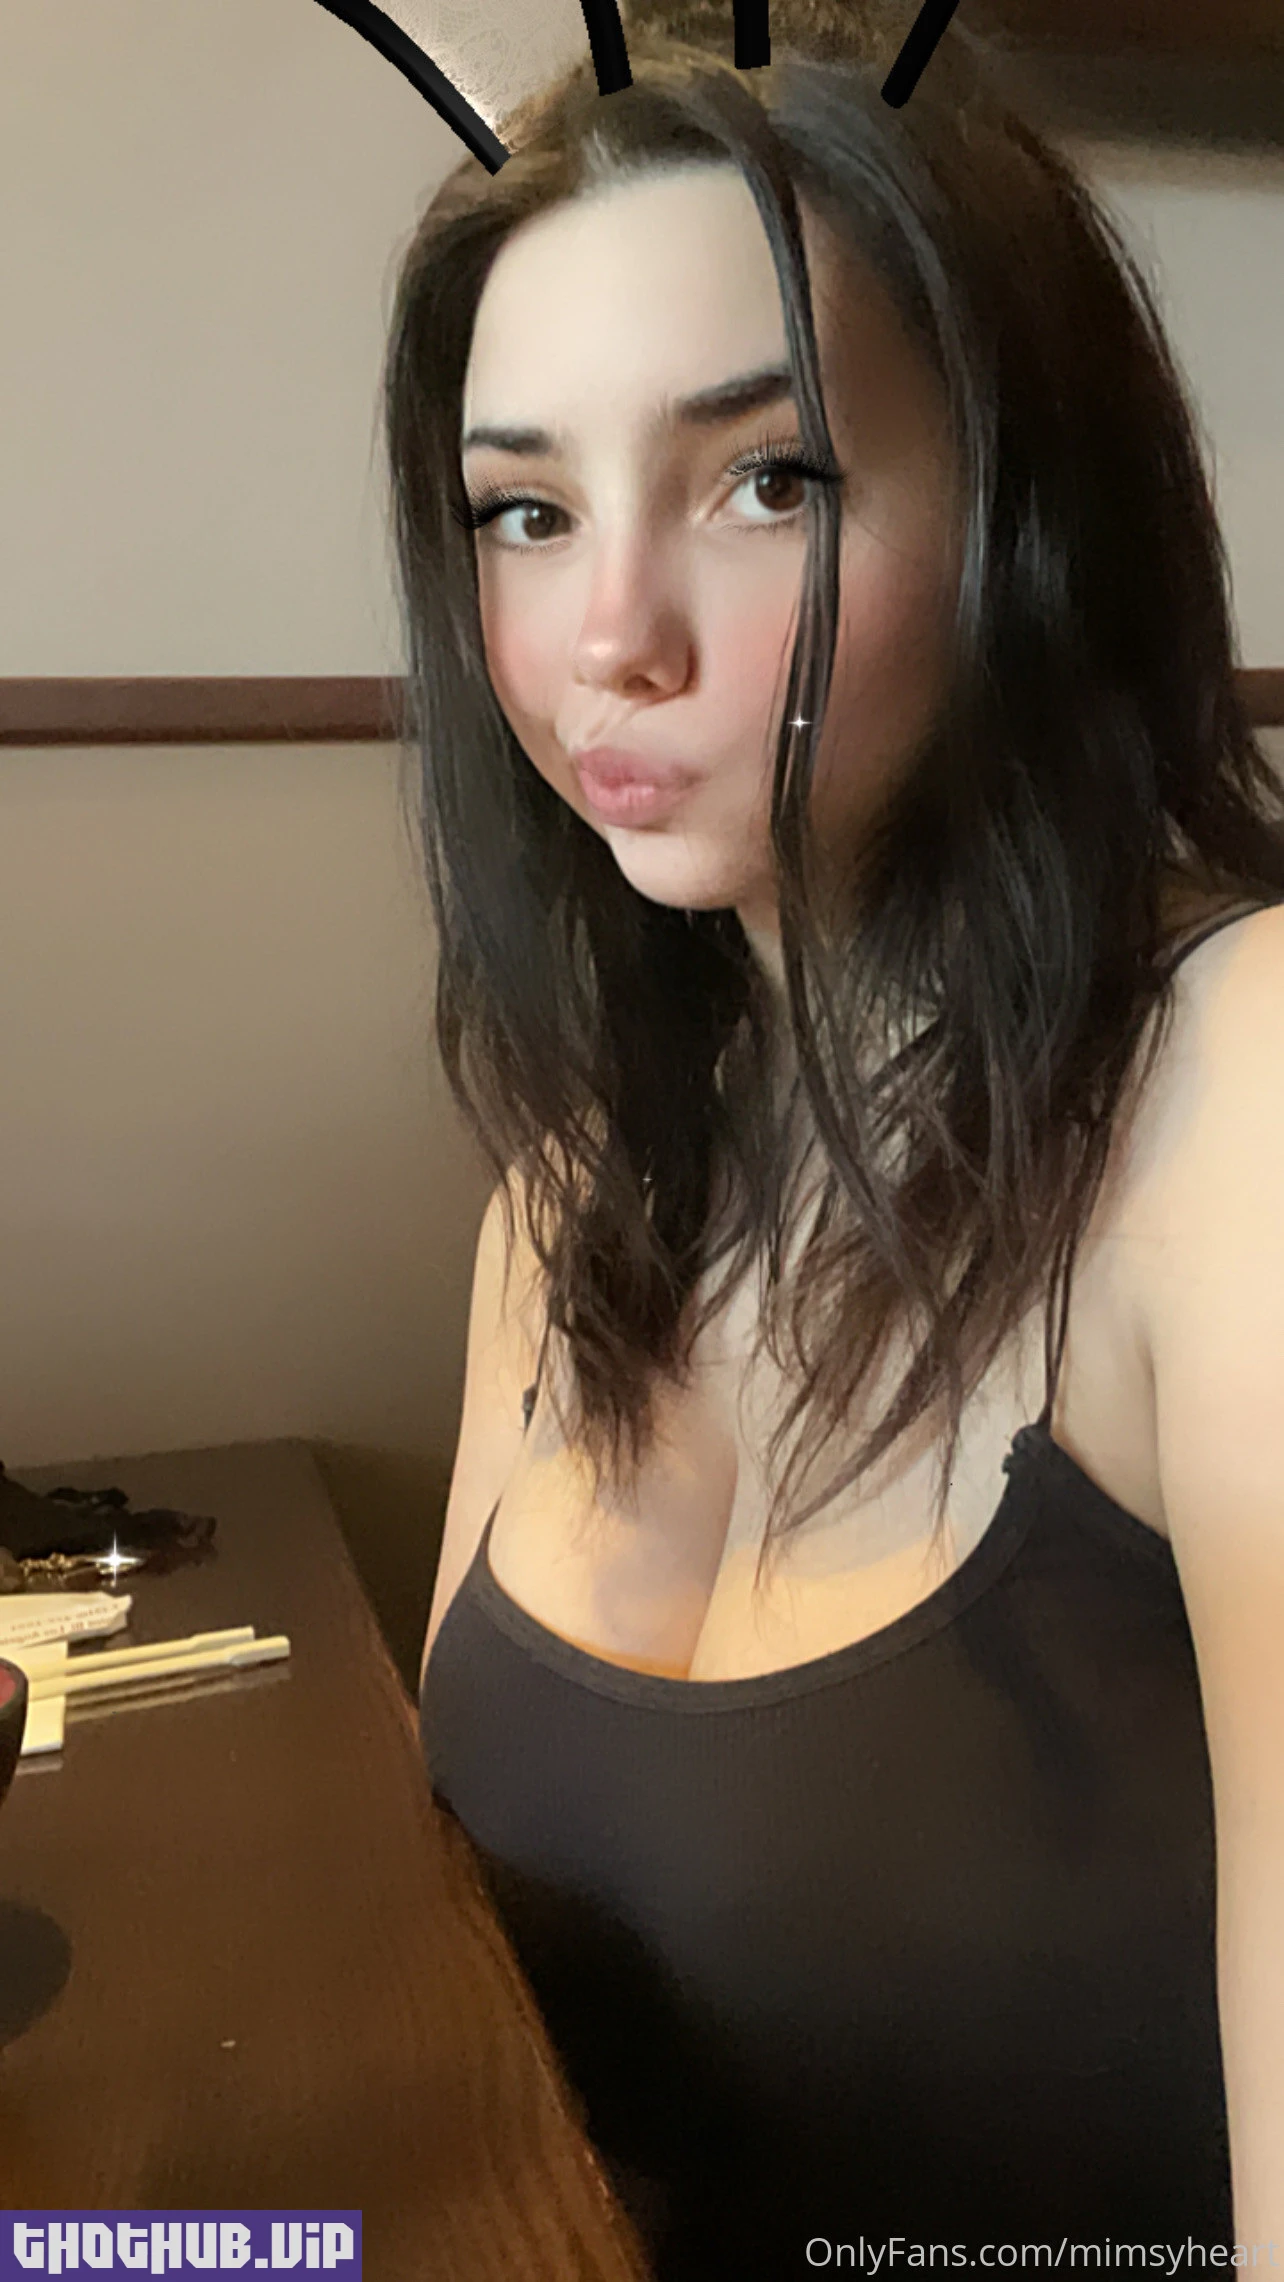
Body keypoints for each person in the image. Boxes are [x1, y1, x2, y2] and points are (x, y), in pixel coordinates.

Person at [386, 2, 1284, 2269]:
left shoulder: (1241, 1099)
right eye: (526, 510)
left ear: (1029, 513)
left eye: (766, 479)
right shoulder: (569, 1199)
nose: (609, 636)